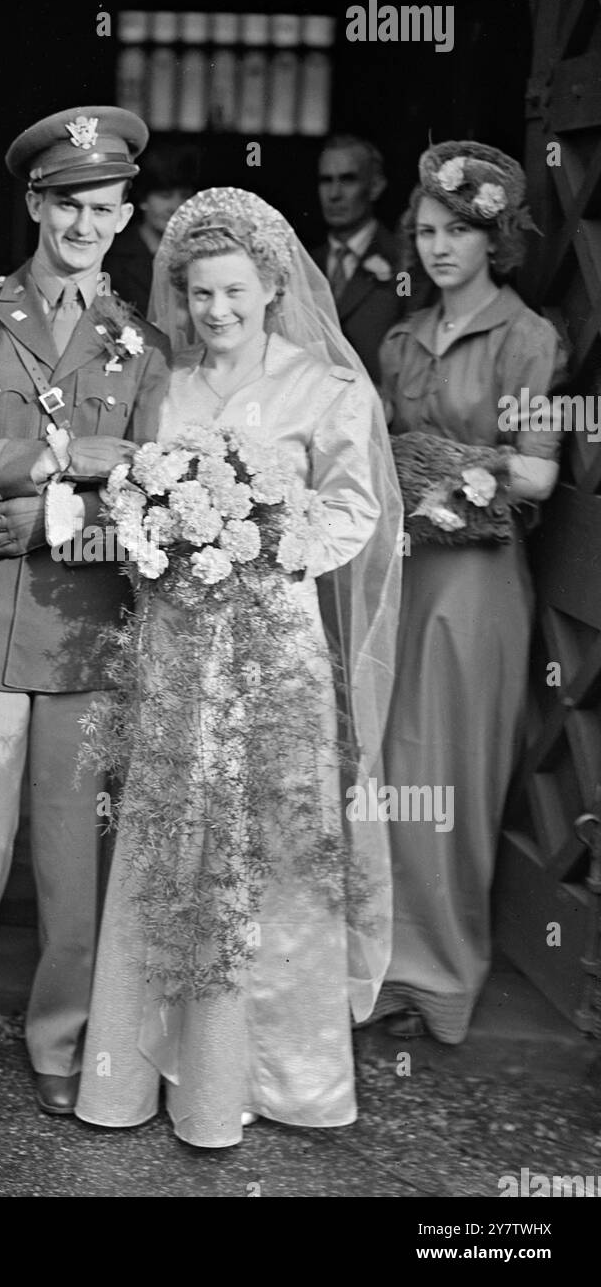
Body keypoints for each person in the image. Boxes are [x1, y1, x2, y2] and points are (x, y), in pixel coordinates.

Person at [75, 186, 403, 1148]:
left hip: (272, 644)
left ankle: (279, 1077)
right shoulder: (162, 385)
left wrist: (267, 538)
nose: (215, 312)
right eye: (199, 295)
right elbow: (131, 493)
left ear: (271, 287)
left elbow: (355, 510)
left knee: (274, 851)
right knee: (169, 841)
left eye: (233, 293)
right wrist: (153, 530)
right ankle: (149, 1072)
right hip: (178, 644)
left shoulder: (325, 387)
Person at [0, 106, 171, 1141]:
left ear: (125, 212)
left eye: (103, 207)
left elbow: (150, 499)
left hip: (80, 621)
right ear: (34, 204)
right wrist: (46, 461)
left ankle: (62, 1044)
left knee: (71, 860)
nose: (84, 224)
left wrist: (62, 511)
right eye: (66, 204)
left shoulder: (140, 344)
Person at [372, 141, 565, 1043]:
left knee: (452, 772)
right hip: (403, 573)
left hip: (479, 583)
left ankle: (445, 977)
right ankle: (383, 963)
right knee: (391, 769)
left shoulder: (529, 339)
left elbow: (533, 473)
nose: (438, 247)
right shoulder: (401, 338)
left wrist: (454, 467)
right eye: (425, 232)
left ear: (493, 237)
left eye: (457, 230)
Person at [312, 134, 405, 386]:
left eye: (348, 180)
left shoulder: (403, 262)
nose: (334, 194)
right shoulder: (304, 263)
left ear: (374, 186)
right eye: (325, 181)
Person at [102, 144, 197, 314]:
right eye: (165, 196)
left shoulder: (200, 252)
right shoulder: (113, 254)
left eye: (183, 195)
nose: (175, 206)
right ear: (143, 199)